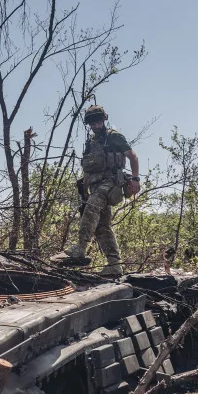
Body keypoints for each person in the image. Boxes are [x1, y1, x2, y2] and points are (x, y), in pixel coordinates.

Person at [51, 105, 141, 276]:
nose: (96, 124)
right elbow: (87, 170)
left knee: (92, 209)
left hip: (112, 183)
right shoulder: (91, 144)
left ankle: (80, 248)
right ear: (89, 123)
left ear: (104, 120)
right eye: (92, 122)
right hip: (94, 185)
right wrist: (85, 190)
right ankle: (114, 264)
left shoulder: (114, 137)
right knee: (102, 225)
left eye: (98, 120)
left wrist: (135, 179)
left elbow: (132, 156)